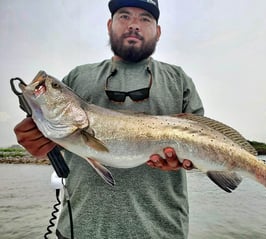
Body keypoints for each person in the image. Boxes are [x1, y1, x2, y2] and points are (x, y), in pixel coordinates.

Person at [14, 0, 204, 238]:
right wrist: (35, 140)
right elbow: (47, 134)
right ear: (109, 24)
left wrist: (186, 160)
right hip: (80, 228)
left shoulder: (178, 80)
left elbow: (201, 147)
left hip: (162, 230)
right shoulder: (77, 77)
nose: (133, 24)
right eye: (124, 16)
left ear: (158, 31)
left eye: (145, 18)